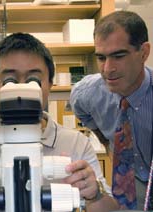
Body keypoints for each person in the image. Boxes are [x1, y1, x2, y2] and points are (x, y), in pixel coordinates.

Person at [0, 33, 119, 211]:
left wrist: (94, 194)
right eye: (9, 79)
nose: (21, 88)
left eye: (33, 79)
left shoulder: (76, 143)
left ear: (50, 83)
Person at [70, 10, 151, 210]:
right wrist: (107, 141)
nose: (107, 69)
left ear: (144, 53)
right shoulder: (86, 94)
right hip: (128, 185)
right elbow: (82, 111)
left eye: (118, 56)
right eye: (101, 57)